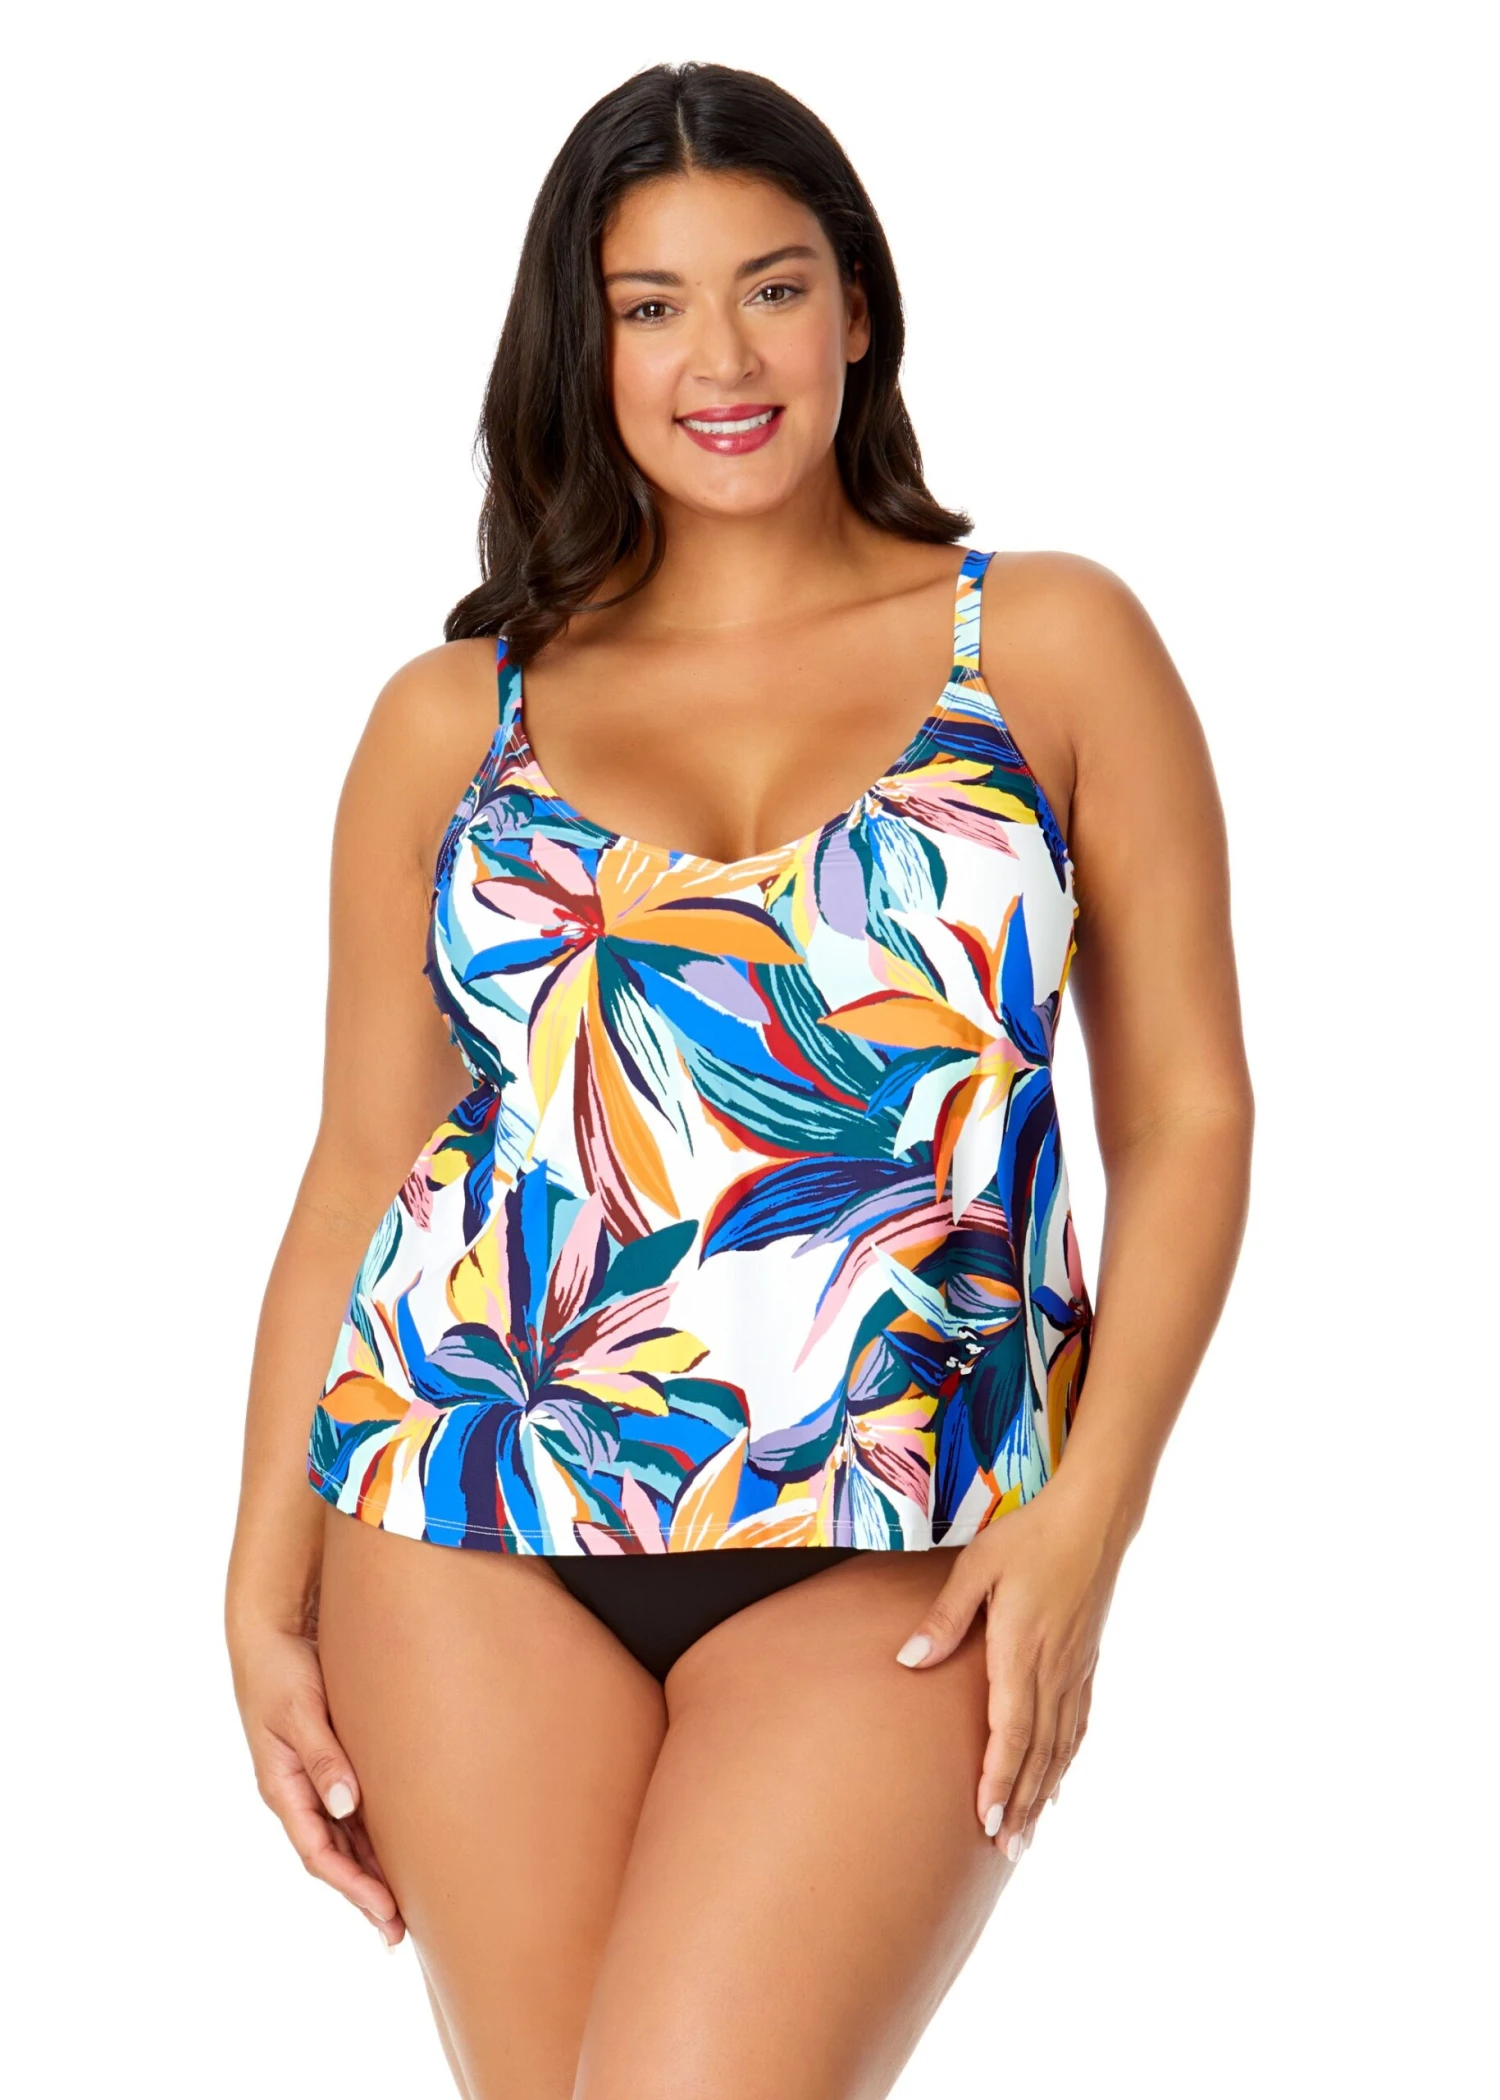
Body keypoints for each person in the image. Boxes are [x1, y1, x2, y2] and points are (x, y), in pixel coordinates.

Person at [225, 59, 1253, 2100]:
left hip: (904, 1537)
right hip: (462, 1519)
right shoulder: (453, 723)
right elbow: (360, 1164)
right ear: (583, 343)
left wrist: (1094, 1520)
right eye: (652, 304)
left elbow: (1187, 1115)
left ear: (857, 307)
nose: (723, 358)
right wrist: (261, 1583)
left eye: (773, 288)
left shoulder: (1047, 647)